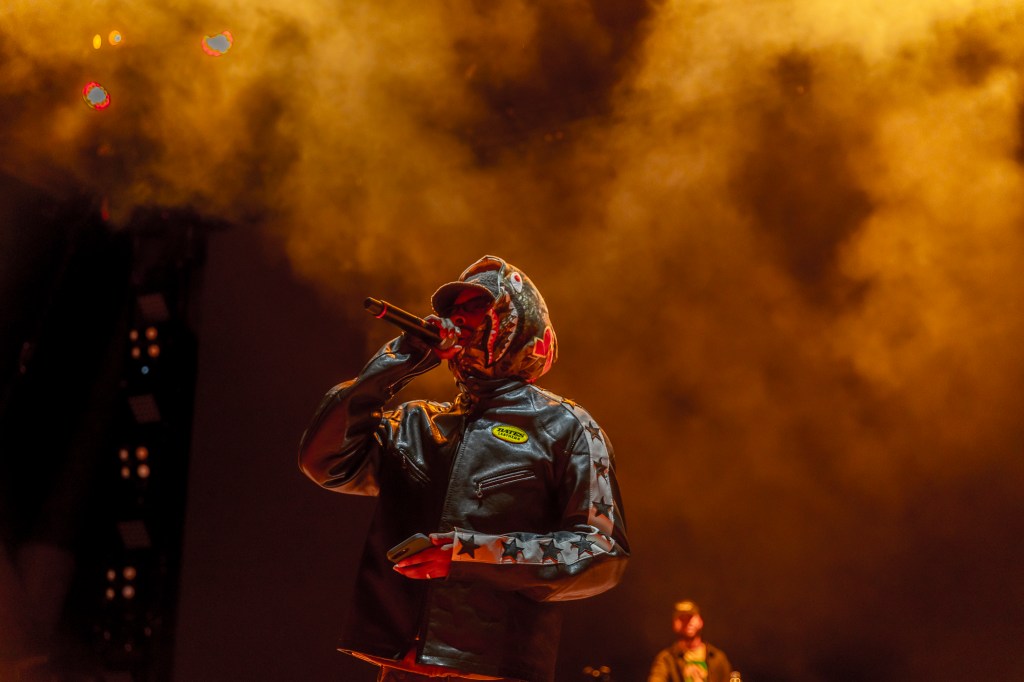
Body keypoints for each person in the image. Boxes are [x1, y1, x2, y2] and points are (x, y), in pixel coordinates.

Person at [298, 255, 630, 682]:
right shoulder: (416, 423)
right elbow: (324, 461)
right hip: (401, 669)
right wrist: (401, 359)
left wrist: (467, 554)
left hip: (494, 671)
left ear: (516, 320)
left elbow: (602, 551)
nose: (457, 317)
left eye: (476, 306)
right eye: (453, 309)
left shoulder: (566, 426)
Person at [647, 600, 734, 682]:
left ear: (700, 621)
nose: (687, 622)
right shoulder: (667, 659)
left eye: (690, 617)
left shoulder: (717, 658)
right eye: (682, 618)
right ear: (674, 623)